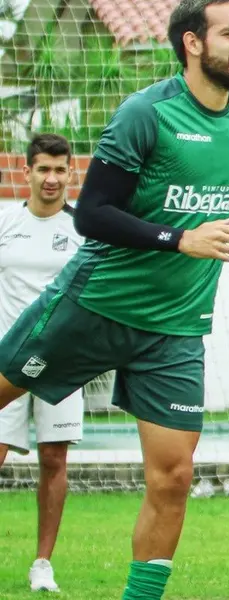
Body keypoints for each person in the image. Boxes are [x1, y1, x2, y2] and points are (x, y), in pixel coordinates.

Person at [0, 1, 229, 598]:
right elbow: (94, 215)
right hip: (97, 305)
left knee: (174, 476)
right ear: (191, 43)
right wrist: (180, 238)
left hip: (178, 327)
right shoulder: (144, 113)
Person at [0, 133, 85, 593]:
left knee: (54, 459)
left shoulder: (84, 231)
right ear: (26, 172)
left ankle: (42, 565)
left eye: (59, 169)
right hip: (6, 361)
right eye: (43, 169)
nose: (51, 179)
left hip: (62, 364)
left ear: (70, 173)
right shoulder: (5, 223)